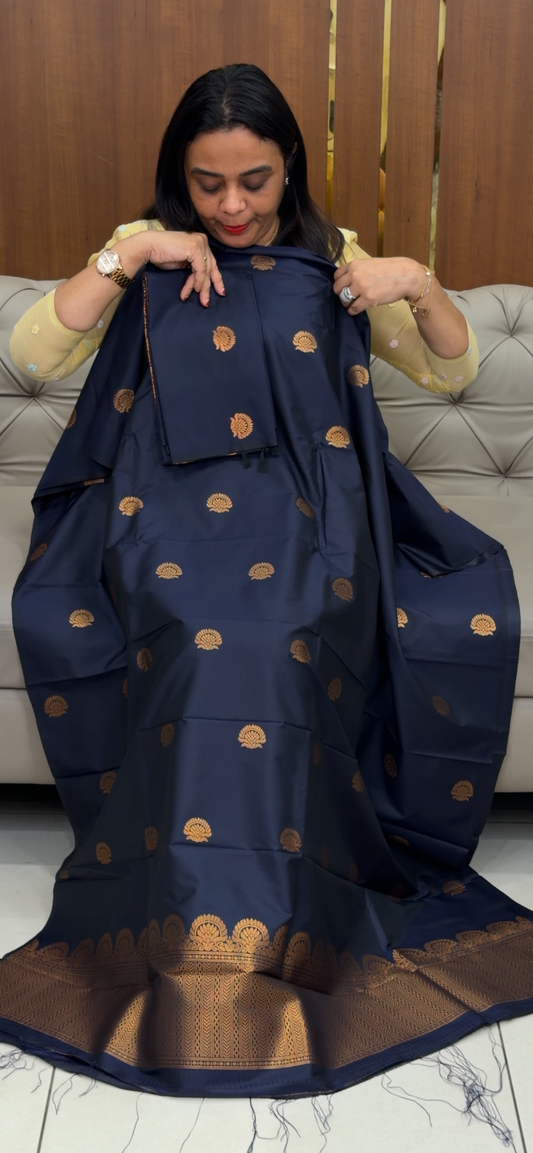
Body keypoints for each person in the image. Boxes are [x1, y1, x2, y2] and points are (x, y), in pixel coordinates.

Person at [1, 64, 531, 1100]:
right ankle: (190, 927)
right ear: (180, 176)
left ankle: (291, 918)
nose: (233, 207)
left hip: (314, 516)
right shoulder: (147, 247)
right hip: (159, 515)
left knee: (284, 630)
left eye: (255, 181)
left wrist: (414, 282)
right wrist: (129, 255)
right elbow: (35, 352)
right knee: (197, 631)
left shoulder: (334, 256)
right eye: (208, 185)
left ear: (290, 168)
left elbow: (451, 370)